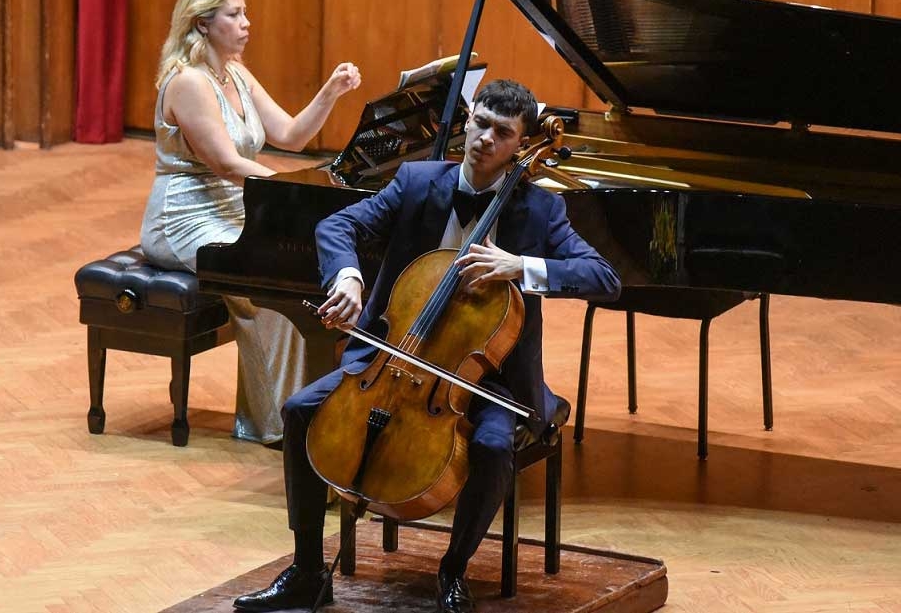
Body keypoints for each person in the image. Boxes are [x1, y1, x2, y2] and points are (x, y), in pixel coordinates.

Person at [233, 79, 622, 613]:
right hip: (395, 357)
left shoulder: (539, 210)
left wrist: (521, 267)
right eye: (480, 123)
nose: (485, 139)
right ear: (468, 120)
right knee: (300, 410)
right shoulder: (417, 182)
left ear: (520, 144)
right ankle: (306, 569)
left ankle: (453, 571)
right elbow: (339, 226)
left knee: (491, 447)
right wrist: (347, 277)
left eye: (502, 133)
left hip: (486, 379)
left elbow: (604, 277)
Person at [140, 0, 361, 444]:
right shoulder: (189, 83)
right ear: (202, 23)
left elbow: (290, 135)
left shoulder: (236, 72)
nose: (247, 23)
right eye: (234, 14)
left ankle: (306, 407)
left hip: (236, 209)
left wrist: (331, 91)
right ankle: (278, 424)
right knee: (267, 285)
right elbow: (225, 164)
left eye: (245, 13)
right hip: (183, 220)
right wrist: (296, 192)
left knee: (296, 275)